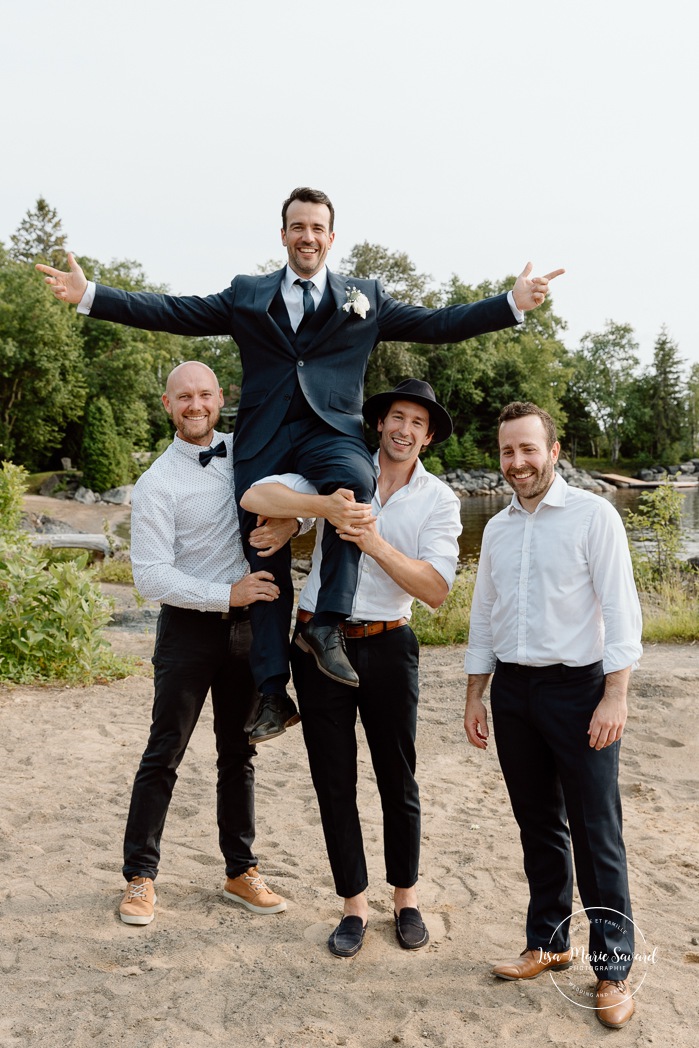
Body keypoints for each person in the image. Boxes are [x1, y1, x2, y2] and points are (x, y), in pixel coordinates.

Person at [37, 187, 563, 745]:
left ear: (331, 238)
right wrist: (89, 294)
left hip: (330, 432)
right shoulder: (247, 294)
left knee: (356, 483)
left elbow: (440, 323)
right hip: (263, 441)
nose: (307, 236)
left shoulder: (366, 298)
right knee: (262, 548)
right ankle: (270, 690)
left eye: (317, 228)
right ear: (283, 235)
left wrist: (510, 304)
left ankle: (327, 625)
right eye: (297, 227)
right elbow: (174, 312)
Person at [241, 379, 461, 957]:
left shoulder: (440, 500)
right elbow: (258, 495)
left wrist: (372, 540)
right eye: (395, 417)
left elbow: (435, 589)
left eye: (416, 422)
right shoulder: (341, 467)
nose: (403, 429)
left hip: (389, 645)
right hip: (318, 644)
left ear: (428, 436)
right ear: (379, 424)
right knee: (333, 780)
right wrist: (306, 514)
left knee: (398, 778)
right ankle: (353, 906)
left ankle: (405, 899)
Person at [463, 401, 642, 1030]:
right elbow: (484, 613)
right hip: (513, 693)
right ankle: (549, 941)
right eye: (508, 452)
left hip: (580, 691)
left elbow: (621, 612)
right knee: (537, 823)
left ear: (553, 451)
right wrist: (475, 692)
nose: (517, 463)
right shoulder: (498, 530)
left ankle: (615, 968)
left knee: (598, 832)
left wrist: (615, 695)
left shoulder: (593, 518)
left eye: (528, 450)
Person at [118, 359, 302, 927]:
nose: (194, 406)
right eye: (183, 398)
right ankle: (140, 878)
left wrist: (293, 524)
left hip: (250, 634)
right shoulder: (156, 483)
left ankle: (239, 871)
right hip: (188, 631)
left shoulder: (250, 452)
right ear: (168, 405)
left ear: (220, 397)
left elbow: (301, 491)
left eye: (204, 395)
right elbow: (149, 576)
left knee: (239, 753)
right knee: (164, 751)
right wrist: (228, 593)